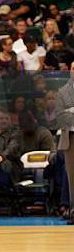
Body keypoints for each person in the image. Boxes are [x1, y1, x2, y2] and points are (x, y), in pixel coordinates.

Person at [55, 62, 74, 224]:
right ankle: (73, 211)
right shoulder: (62, 92)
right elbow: (60, 116)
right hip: (70, 138)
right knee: (71, 177)